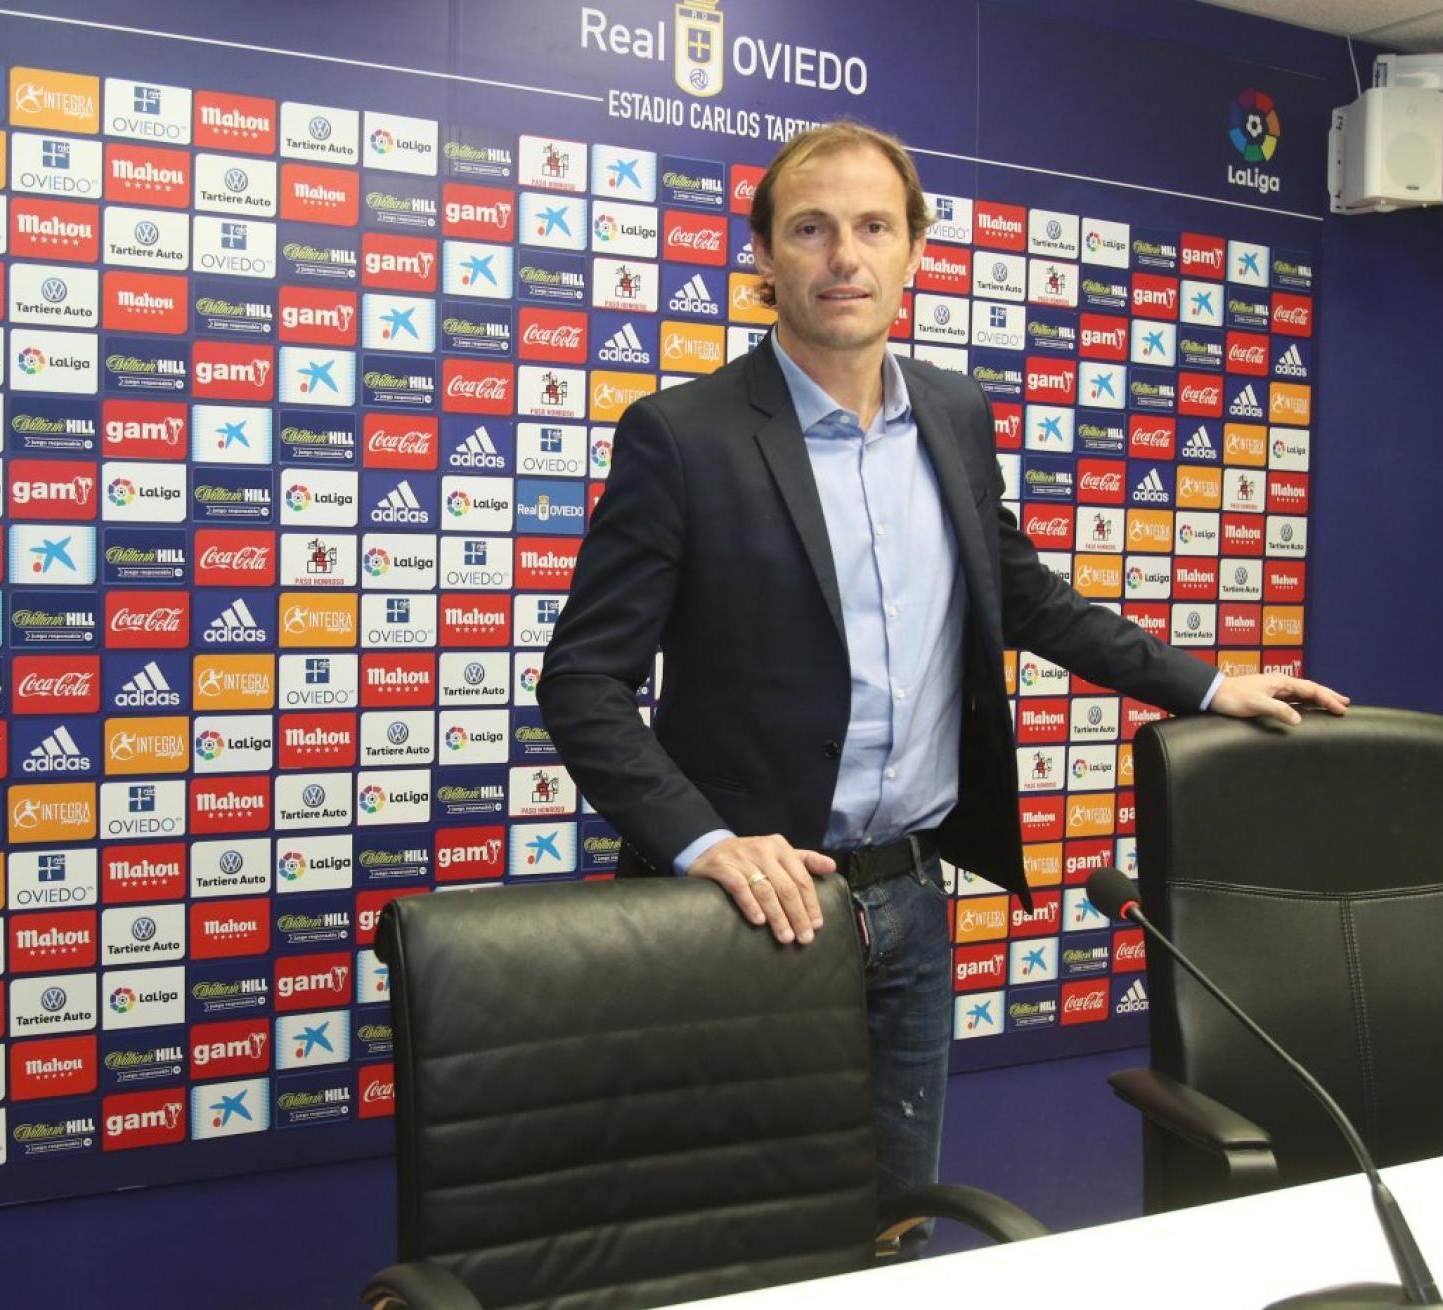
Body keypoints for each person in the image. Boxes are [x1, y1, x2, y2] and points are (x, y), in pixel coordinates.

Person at [536, 119, 1348, 1251]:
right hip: (742, 914)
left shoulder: (955, 416)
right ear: (763, 256)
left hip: (910, 905)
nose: (843, 257)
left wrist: (1208, 685)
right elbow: (582, 679)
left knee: (893, 1234)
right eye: (810, 229)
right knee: (725, 1242)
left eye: (873, 227)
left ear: (916, 250)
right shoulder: (684, 436)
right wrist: (705, 842)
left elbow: (1025, 595)